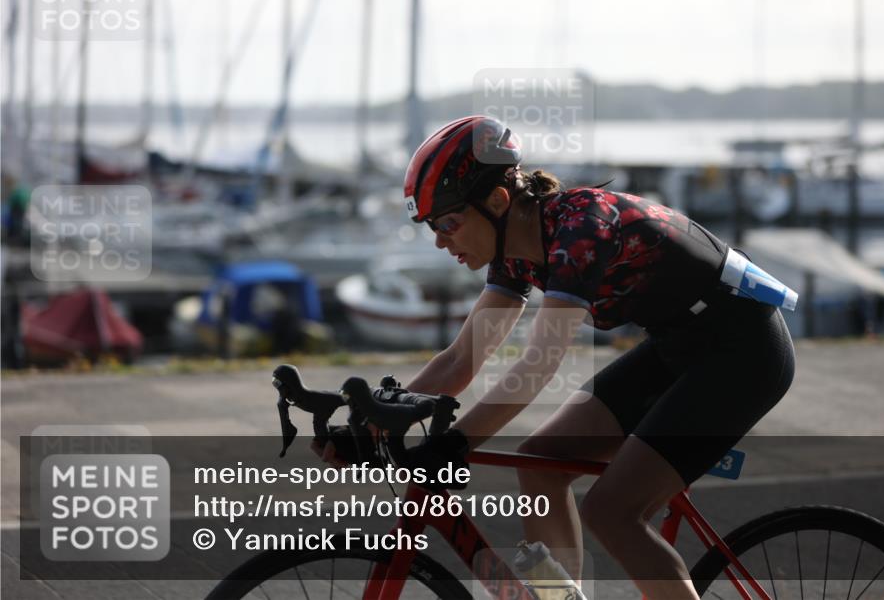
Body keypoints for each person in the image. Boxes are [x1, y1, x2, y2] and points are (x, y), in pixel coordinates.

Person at [315, 115, 796, 600]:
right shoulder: (514, 250)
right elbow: (461, 358)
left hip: (743, 351)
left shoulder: (581, 229)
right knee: (540, 463)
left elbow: (538, 365)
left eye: (448, 223)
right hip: (678, 344)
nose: (441, 240)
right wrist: (374, 426)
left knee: (612, 512)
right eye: (432, 228)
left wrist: (456, 443)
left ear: (497, 201)